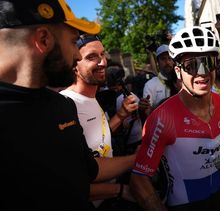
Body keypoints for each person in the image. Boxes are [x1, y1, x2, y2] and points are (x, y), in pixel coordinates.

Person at [0, 0, 133, 209]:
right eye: (73, 42)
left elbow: (88, 170)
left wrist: (139, 158)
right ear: (44, 40)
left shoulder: (62, 106)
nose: (77, 54)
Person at [129, 26, 220, 211]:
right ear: (177, 71)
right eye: (191, 65)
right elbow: (139, 178)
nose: (201, 72)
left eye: (208, 62)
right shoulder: (162, 118)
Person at [60, 34, 138, 207]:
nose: (103, 62)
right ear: (74, 65)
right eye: (91, 57)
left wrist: (121, 115)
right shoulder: (65, 106)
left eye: (102, 54)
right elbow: (70, 182)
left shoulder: (92, 96)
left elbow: (97, 140)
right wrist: (120, 189)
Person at [142, 44, 178, 109]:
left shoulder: (181, 80)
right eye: (163, 59)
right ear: (157, 63)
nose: (167, 62)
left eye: (169, 58)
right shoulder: (150, 85)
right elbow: (147, 111)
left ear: (173, 61)